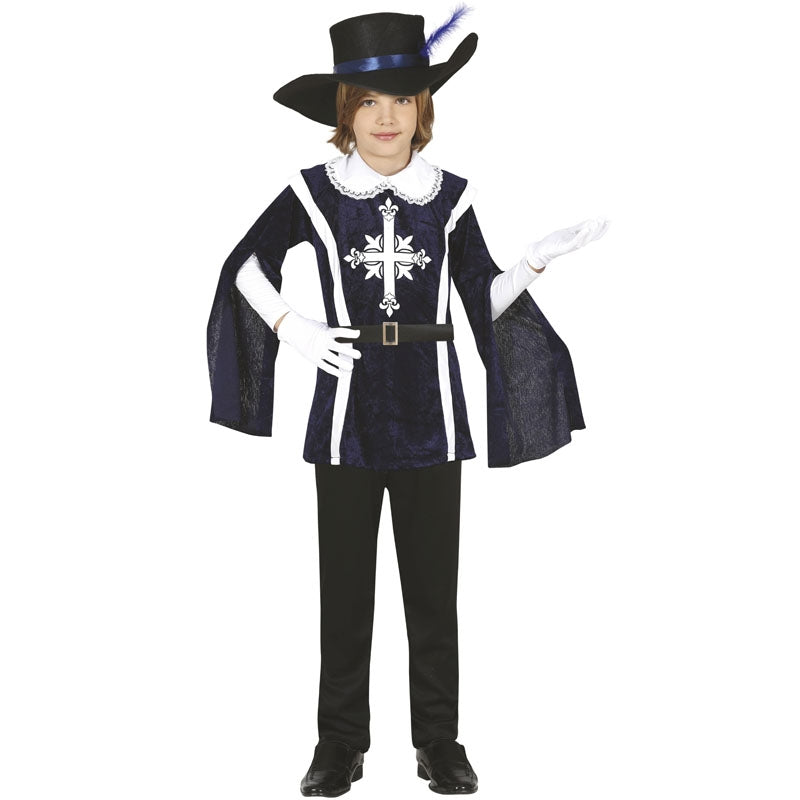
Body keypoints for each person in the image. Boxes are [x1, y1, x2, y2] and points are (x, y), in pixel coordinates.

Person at [206, 8, 609, 796]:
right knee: (344, 592)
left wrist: (533, 260)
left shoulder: (448, 197)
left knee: (432, 593)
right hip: (346, 417)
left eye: (402, 100)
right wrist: (293, 326)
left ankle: (439, 742)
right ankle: (339, 745)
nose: (385, 118)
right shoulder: (314, 193)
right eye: (368, 101)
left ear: (423, 109)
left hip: (433, 415)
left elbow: (479, 302)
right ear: (344, 110)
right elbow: (244, 266)